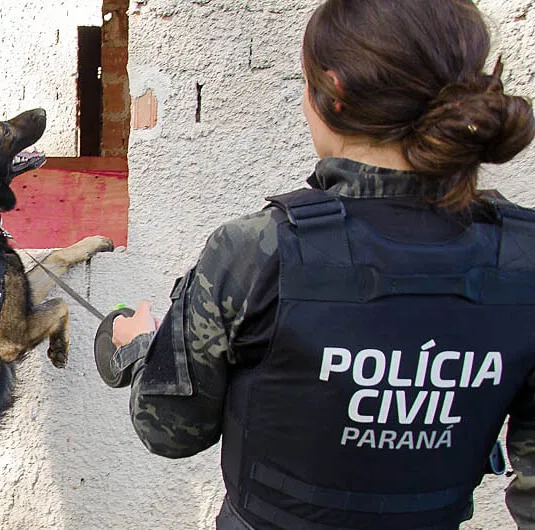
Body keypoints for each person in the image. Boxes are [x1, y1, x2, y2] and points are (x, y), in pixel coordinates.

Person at [108, 1, 535, 529]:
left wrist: (139, 346)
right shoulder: (524, 258)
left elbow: (169, 431)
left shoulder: (257, 251)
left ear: (331, 91)